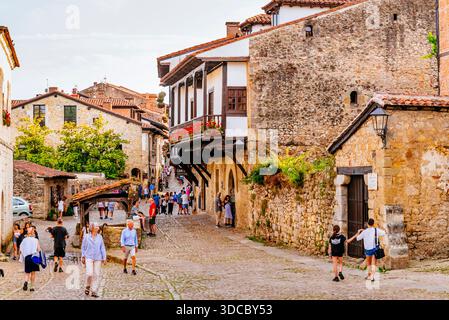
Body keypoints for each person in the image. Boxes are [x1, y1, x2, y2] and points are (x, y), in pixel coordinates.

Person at [81, 223, 106, 298]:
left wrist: (104, 258)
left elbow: (102, 248)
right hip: (89, 257)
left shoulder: (100, 237)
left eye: (98, 226)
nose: (98, 227)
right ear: (92, 228)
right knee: (89, 273)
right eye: (96, 226)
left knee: (96, 274)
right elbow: (83, 247)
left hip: (98, 257)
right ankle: (87, 285)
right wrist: (83, 256)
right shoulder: (86, 236)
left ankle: (94, 291)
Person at [19, 227, 41, 292]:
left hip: (27, 258)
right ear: (33, 232)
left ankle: (26, 282)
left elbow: (21, 249)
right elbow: (39, 249)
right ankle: (32, 287)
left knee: (27, 272)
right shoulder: (36, 240)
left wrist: (23, 256)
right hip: (34, 257)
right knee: (33, 273)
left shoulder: (24, 240)